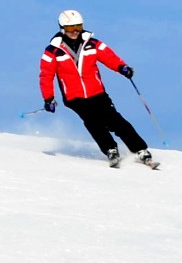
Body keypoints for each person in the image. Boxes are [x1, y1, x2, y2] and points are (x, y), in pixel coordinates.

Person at [39, 9, 157, 168]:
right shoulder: (52, 51)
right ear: (62, 28)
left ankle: (141, 150)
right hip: (74, 97)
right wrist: (48, 98)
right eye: (70, 28)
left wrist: (122, 68)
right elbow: (46, 75)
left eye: (78, 27)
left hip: (97, 93)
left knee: (115, 120)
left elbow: (109, 57)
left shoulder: (92, 44)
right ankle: (110, 149)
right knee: (93, 121)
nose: (74, 32)